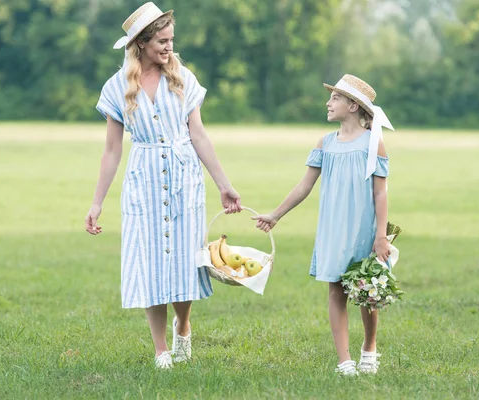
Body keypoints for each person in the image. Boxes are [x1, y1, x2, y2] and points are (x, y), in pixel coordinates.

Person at [84, 2, 242, 369]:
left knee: (187, 261)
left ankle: (183, 326)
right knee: (149, 263)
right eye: (161, 41)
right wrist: (96, 203)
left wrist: (224, 183)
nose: (169, 47)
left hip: (185, 178)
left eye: (171, 40)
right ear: (140, 43)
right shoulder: (117, 86)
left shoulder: (182, 77)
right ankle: (161, 349)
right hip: (144, 182)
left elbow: (198, 134)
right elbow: (111, 151)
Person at [252, 74, 394, 376]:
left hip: (364, 230)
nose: (328, 103)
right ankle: (344, 361)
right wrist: (276, 215)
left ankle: (369, 347)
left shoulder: (373, 144)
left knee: (367, 292)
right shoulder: (325, 143)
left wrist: (381, 236)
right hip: (333, 229)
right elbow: (304, 185)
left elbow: (380, 192)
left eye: (335, 98)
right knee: (336, 291)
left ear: (353, 106)